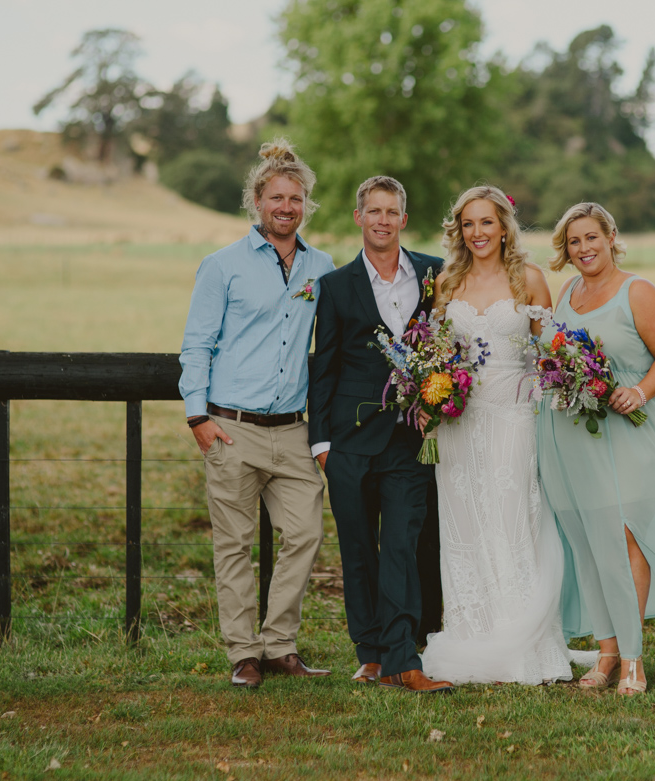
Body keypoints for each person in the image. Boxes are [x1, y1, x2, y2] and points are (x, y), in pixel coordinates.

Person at [537, 202, 655, 696]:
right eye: (574, 241)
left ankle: (634, 658)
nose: (584, 248)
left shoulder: (637, 291)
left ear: (611, 236)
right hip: (578, 434)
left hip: (631, 429)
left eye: (591, 238)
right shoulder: (567, 292)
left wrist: (638, 391)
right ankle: (606, 653)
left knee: (625, 537)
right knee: (590, 542)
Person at [179, 139, 336, 689]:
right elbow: (196, 344)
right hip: (231, 429)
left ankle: (280, 645)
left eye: (295, 197)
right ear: (257, 201)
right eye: (275, 197)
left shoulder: (323, 267)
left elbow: (338, 345)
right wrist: (198, 417)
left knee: (305, 532)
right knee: (233, 545)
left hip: (293, 430)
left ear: (306, 204)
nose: (286, 206)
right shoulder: (222, 266)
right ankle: (244, 653)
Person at [419, 185, 585, 685]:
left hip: (515, 414)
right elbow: (436, 350)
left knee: (514, 517)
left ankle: (524, 641)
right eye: (468, 224)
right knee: (465, 522)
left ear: (504, 225)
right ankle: (473, 633)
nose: (477, 234)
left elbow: (552, 354)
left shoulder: (530, 280)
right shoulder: (446, 282)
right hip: (459, 421)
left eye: (486, 223)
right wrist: (433, 392)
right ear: (458, 230)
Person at [308, 176, 452, 693]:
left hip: (410, 439)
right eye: (374, 211)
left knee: (401, 546)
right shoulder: (335, 285)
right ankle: (369, 651)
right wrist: (321, 444)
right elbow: (322, 368)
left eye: (392, 212)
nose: (383, 220)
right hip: (347, 441)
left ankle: (403, 656)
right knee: (359, 550)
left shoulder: (436, 274)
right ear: (359, 217)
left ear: (404, 220)